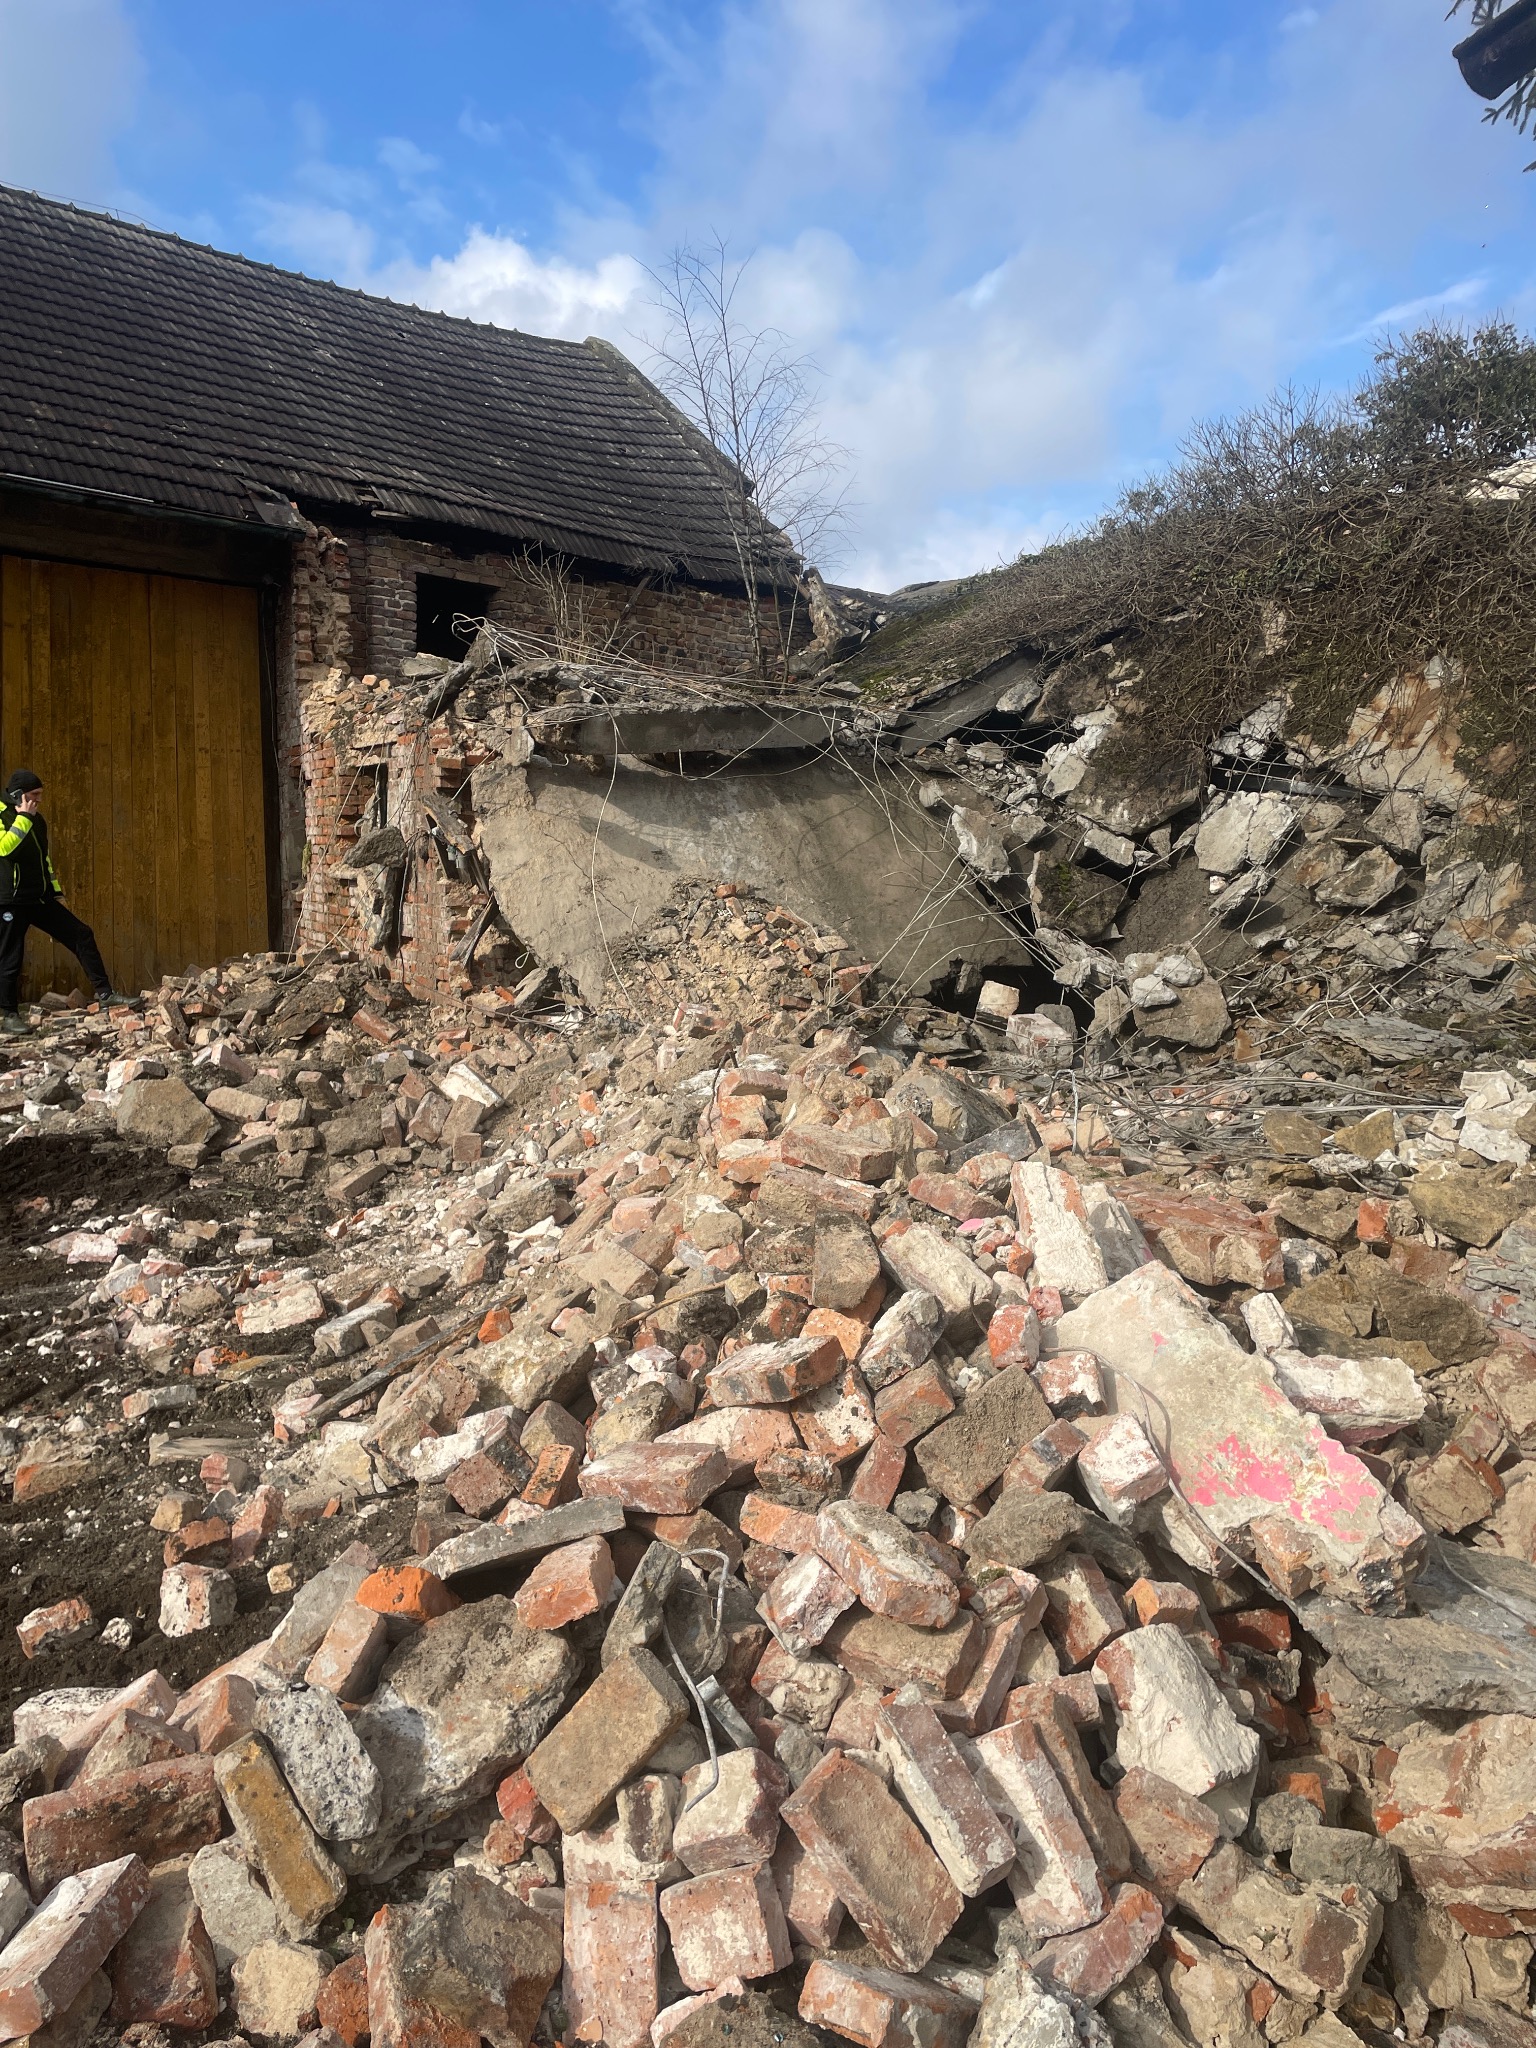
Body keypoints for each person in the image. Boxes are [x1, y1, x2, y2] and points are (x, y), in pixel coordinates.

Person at [0, 769, 129, 1034]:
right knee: (10, 958)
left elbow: (43, 858)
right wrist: (24, 817)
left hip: (38, 898)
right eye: (34, 795)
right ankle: (9, 1015)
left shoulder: (38, 818)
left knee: (81, 934)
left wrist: (56, 892)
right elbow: (6, 849)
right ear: (18, 795)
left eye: (40, 795)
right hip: (10, 901)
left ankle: (105, 995)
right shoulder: (4, 815)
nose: (39, 800)